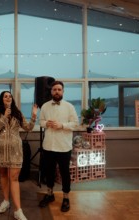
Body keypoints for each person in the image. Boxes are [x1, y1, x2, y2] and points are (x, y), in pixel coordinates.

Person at [0, 91, 38, 220]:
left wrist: (33, 116)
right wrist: (4, 117)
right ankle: (6, 201)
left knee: (14, 177)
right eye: (5, 96)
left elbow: (28, 128)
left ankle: (18, 210)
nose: (8, 98)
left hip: (15, 151)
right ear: (1, 99)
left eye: (10, 96)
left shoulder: (18, 113)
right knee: (3, 175)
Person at [38, 80, 79, 212]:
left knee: (64, 173)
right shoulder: (44, 106)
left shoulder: (69, 107)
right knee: (48, 172)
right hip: (49, 145)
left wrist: (61, 125)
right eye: (54, 89)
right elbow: (41, 122)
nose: (56, 91)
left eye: (59, 89)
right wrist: (46, 124)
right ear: (51, 91)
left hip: (63, 147)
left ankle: (66, 197)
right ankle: (50, 194)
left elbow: (75, 124)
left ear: (63, 91)